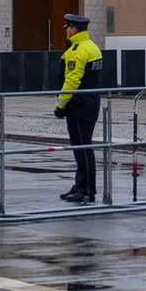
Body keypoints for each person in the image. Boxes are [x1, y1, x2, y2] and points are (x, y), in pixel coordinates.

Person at [55, 13, 102, 204]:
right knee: (84, 147)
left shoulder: (78, 50)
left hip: (78, 106)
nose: (66, 31)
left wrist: (61, 104)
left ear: (74, 29)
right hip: (90, 103)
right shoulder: (92, 47)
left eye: (67, 28)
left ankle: (85, 189)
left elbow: (72, 80)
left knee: (81, 148)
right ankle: (81, 185)